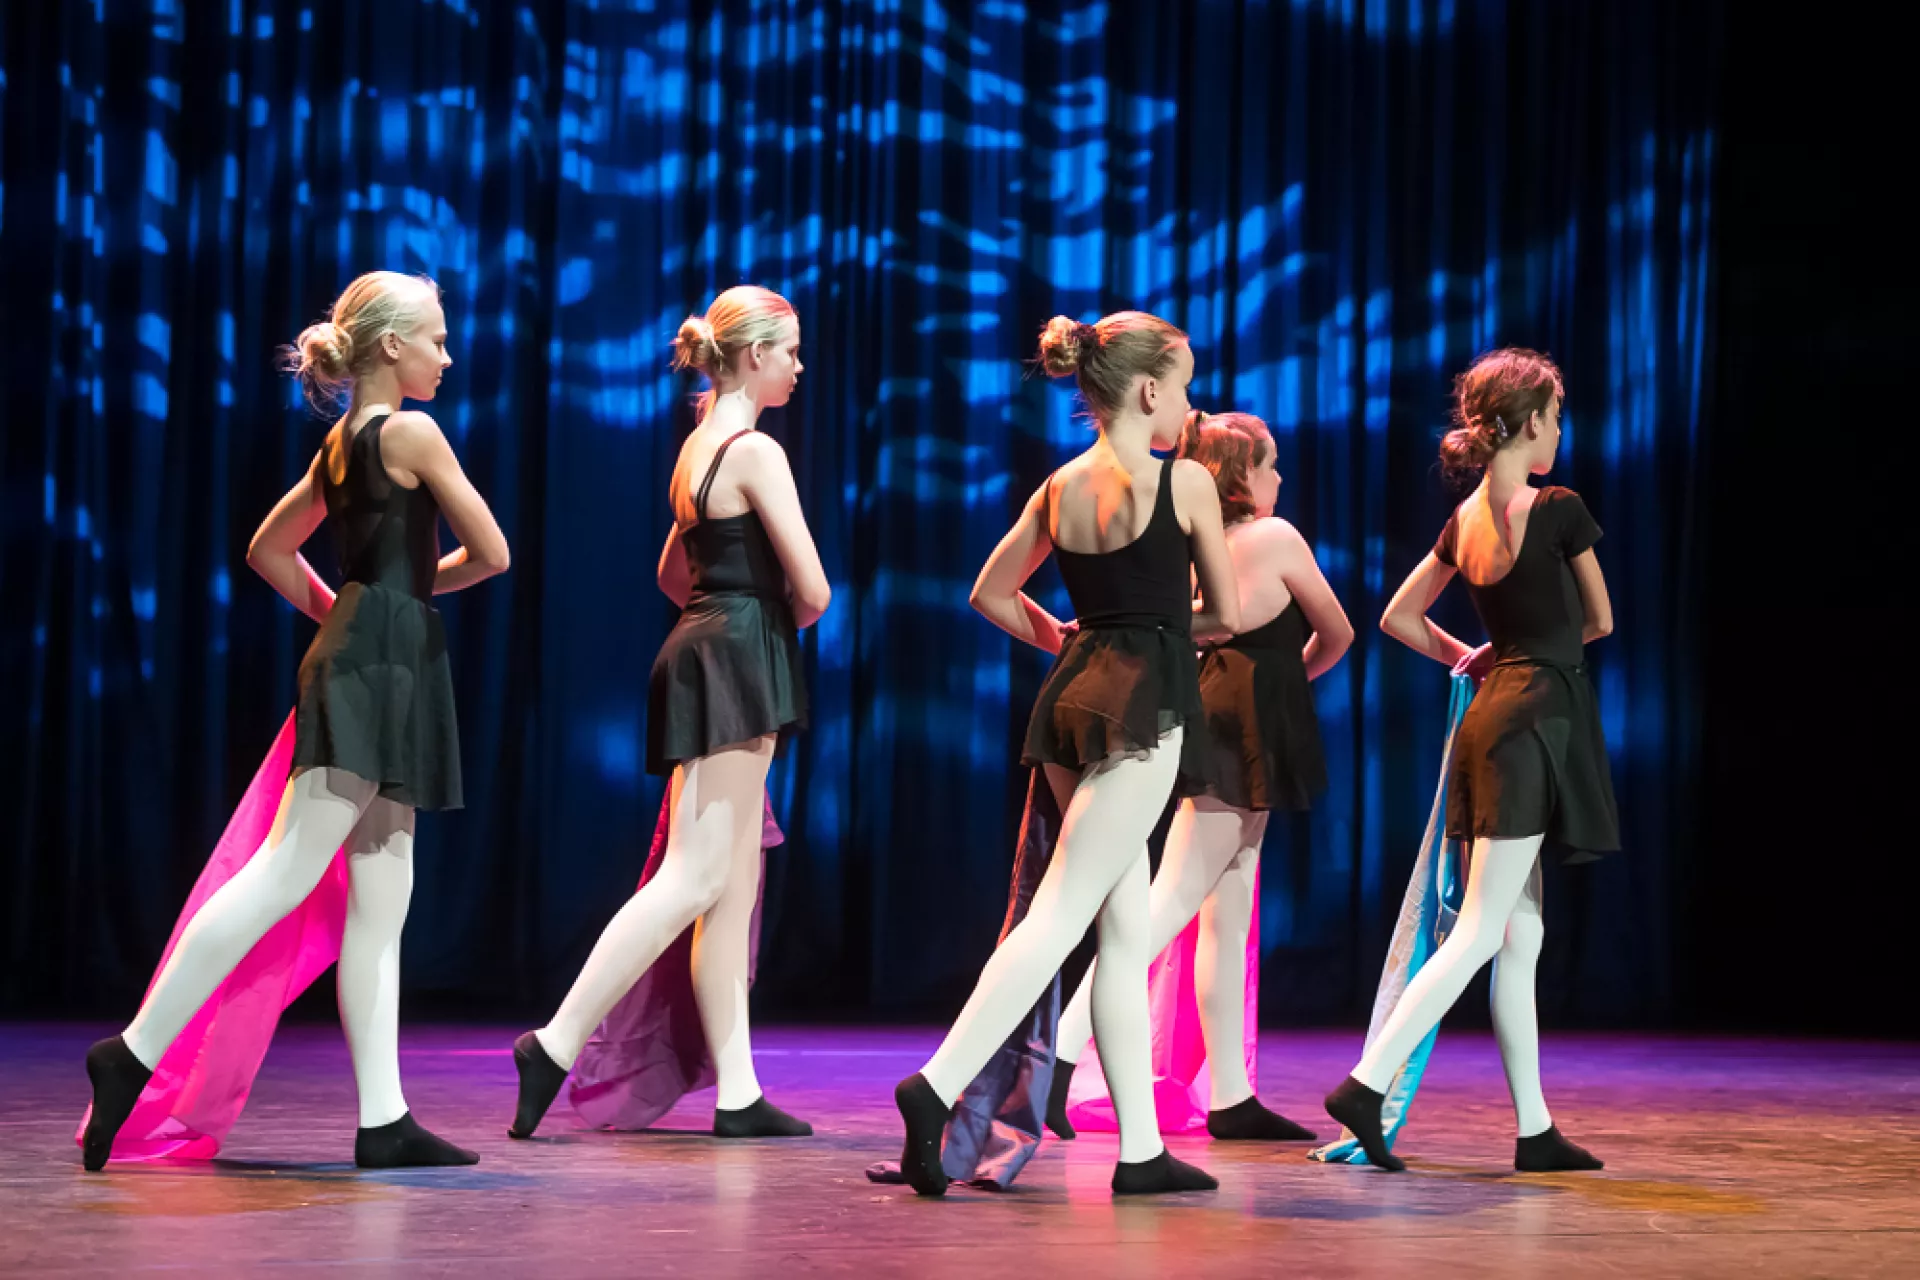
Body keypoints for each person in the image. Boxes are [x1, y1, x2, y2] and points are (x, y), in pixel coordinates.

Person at [81, 271, 508, 1171]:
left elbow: (268, 550)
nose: (448, 352)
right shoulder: (411, 431)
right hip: (379, 660)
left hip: (378, 655)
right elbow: (494, 552)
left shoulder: (340, 444)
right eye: (436, 337)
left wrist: (342, 612)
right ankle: (136, 1047)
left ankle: (384, 1116)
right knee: (287, 868)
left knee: (383, 896)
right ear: (392, 347)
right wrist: (389, 602)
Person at [891, 311, 1240, 1197]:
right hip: (1147, 703)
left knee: (1121, 940)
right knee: (1060, 916)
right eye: (1187, 385)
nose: (1191, 405)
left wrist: (1068, 640)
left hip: (1074, 699)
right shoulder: (1185, 483)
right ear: (1151, 389)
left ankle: (1140, 1150)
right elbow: (1224, 618)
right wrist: (1153, 632)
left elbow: (989, 592)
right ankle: (934, 1085)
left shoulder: (1059, 486)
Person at [509, 286, 828, 1142]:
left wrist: (730, 609)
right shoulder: (754, 452)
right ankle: (556, 1039)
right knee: (693, 876)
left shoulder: (696, 449)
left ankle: (739, 1090)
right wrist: (765, 619)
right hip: (738, 656)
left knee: (730, 887)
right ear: (754, 355)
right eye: (790, 350)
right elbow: (816, 589)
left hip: (702, 643)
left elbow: (669, 576)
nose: (799, 366)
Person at [1324, 347, 1615, 1173]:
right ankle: (1365, 1082)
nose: (1560, 430)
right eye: (1555, 416)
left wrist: (1483, 652)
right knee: (1484, 927)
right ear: (1528, 424)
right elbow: (1597, 620)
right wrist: (1513, 649)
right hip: (1538, 718)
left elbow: (1399, 618)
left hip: (1491, 719)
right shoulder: (1557, 507)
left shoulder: (1465, 525)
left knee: (1519, 932)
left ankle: (1534, 1130)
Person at [1050, 409, 1353, 1144]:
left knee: (1227, 909)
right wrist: (1287, 686)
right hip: (1240, 725)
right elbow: (1336, 631)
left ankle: (1231, 1094)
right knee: (1171, 901)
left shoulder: (1199, 549)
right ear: (1242, 475)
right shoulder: (1274, 538)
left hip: (1220, 713)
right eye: (1271, 463)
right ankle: (1052, 1062)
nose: (1280, 477)